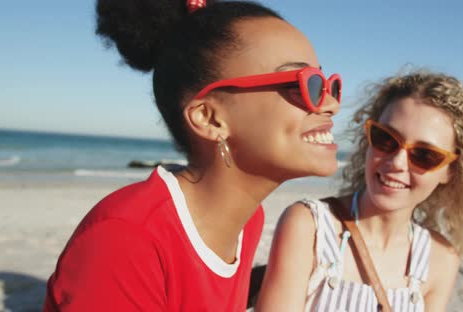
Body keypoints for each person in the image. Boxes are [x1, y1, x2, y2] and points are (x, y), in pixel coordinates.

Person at [43, 0, 341, 310]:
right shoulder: (126, 240)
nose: (330, 104)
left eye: (328, 85)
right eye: (304, 84)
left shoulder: (248, 219)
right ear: (210, 118)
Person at [256, 70, 463, 311]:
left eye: (424, 155)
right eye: (386, 139)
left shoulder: (440, 259)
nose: (396, 163)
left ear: (450, 170)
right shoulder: (310, 226)